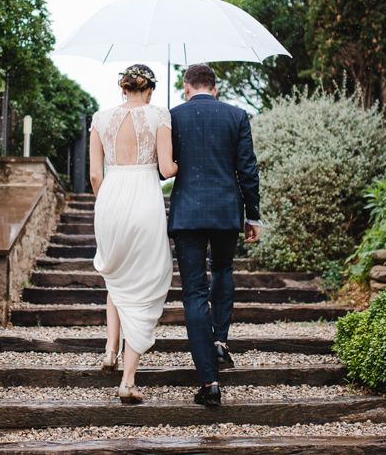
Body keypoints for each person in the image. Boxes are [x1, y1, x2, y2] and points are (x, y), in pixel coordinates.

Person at [168, 63, 261, 407]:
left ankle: (209, 382)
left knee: (193, 292)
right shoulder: (237, 116)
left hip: (188, 212)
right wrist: (253, 215)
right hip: (225, 210)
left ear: (186, 86)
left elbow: (165, 165)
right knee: (223, 271)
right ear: (215, 88)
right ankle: (220, 341)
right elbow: (247, 169)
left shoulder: (172, 116)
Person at [89, 63, 177, 404]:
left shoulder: (100, 118)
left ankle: (110, 349)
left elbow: (96, 176)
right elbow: (167, 169)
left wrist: (108, 203)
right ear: (150, 89)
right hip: (144, 200)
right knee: (145, 284)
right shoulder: (159, 115)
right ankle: (127, 381)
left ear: (122, 88)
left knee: (117, 279)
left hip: (110, 201)